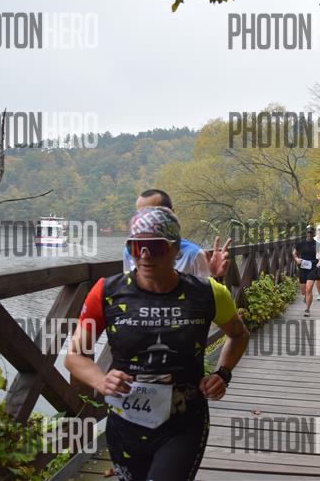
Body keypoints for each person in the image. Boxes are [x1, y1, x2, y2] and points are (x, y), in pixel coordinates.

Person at [65, 206, 249, 481]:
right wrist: (100, 380)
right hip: (125, 423)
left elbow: (239, 334)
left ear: (176, 249)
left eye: (155, 246)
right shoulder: (106, 292)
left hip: (184, 423)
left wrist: (222, 374)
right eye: (135, 246)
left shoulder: (208, 293)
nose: (144, 255)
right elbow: (74, 355)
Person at [122, 189, 230, 279]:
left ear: (171, 213)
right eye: (140, 213)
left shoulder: (193, 254)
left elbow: (207, 292)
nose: (145, 219)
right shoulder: (131, 250)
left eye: (154, 213)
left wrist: (217, 277)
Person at [293, 225, 320, 317]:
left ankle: (307, 309)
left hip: (313, 268)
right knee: (303, 291)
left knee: (309, 288)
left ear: (313, 234)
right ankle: (306, 296)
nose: (310, 234)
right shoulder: (301, 243)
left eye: (311, 232)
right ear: (306, 233)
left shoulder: (317, 244)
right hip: (303, 268)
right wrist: (297, 259)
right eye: (308, 232)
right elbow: (294, 252)